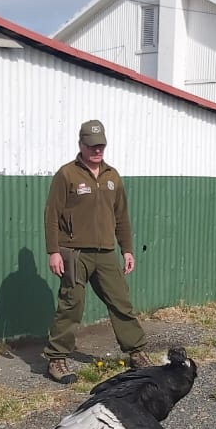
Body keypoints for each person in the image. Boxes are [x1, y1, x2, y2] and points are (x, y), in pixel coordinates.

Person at [42, 119, 152, 384]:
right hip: (74, 253)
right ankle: (57, 360)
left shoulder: (112, 176)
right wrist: (53, 251)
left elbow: (122, 216)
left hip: (105, 253)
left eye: (101, 145)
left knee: (121, 303)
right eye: (91, 145)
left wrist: (127, 250)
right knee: (71, 305)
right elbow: (52, 214)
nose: (96, 150)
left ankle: (136, 353)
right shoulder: (66, 174)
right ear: (81, 144)